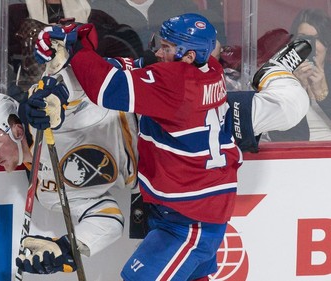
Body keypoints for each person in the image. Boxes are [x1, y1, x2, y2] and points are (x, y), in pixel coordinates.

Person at [33, 13, 310, 279]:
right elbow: (138, 67)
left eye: (166, 47)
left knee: (287, 108)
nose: (158, 52)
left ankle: (275, 72)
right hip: (191, 201)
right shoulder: (207, 68)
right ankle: (276, 75)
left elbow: (106, 86)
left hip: (190, 217)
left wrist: (78, 45)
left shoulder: (175, 85)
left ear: (188, 56)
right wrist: (76, 54)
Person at [0, 64, 139, 273]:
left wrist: (54, 89)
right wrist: (68, 248)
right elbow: (108, 217)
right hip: (156, 175)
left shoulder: (44, 111)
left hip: (152, 121)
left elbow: (82, 76)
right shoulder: (46, 193)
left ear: (16, 129)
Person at [267, 8, 331, 142]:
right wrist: (297, 89)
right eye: (303, 38)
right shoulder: (279, 79)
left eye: (317, 39)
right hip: (298, 158)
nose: (309, 46)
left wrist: (322, 95)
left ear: (327, 44)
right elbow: (287, 140)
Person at [89, 0, 226, 49]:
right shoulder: (101, 8)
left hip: (176, 80)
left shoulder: (178, 3)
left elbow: (209, 30)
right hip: (128, 82)